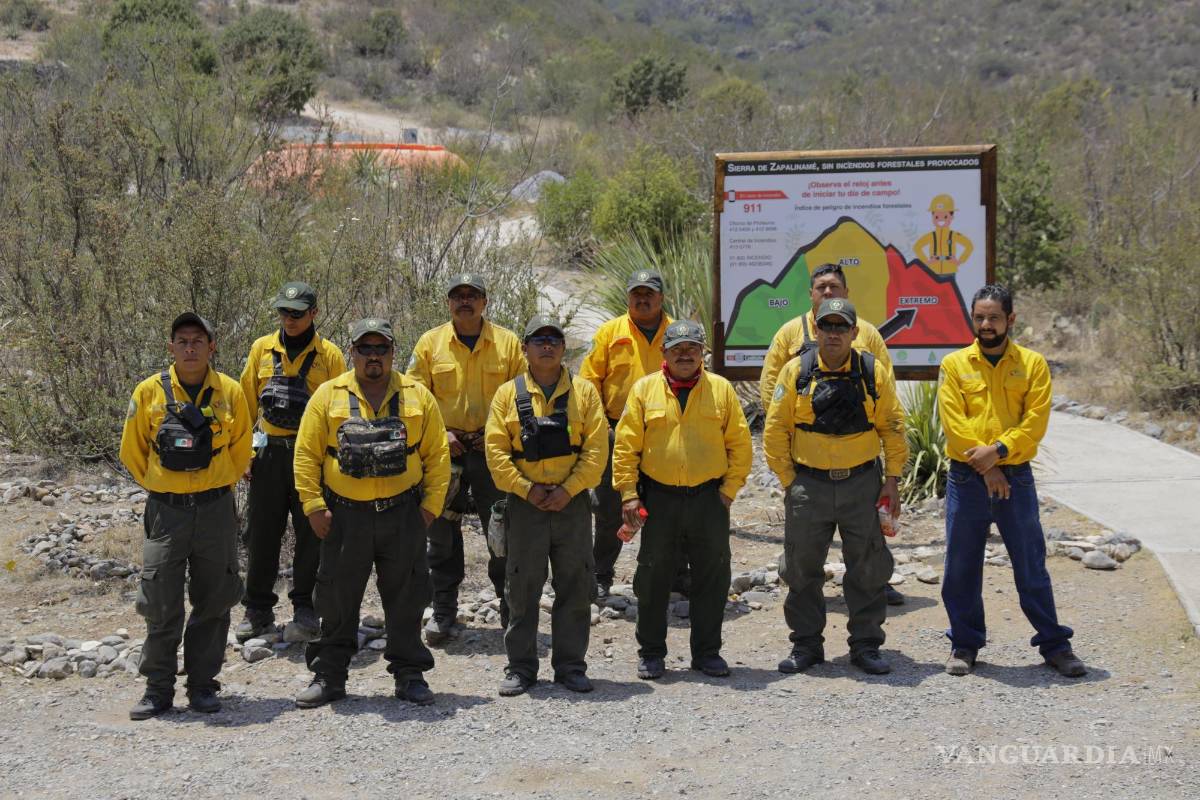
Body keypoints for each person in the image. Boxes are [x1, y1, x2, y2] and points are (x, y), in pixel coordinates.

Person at [292, 318, 450, 708]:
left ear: (393, 352)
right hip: (345, 518)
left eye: (382, 348)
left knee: (407, 598)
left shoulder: (418, 396)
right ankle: (329, 676)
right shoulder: (328, 396)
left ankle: (410, 675)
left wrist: (428, 509)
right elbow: (306, 455)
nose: (374, 356)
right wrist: (313, 506)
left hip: (403, 515)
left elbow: (437, 456)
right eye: (366, 348)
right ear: (353, 352)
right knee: (336, 599)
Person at [937, 284, 1086, 678]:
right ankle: (965, 644)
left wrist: (999, 452)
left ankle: (1055, 644)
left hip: (1015, 479)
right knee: (961, 567)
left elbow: (1034, 422)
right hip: (967, 478)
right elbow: (955, 425)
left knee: (1030, 564)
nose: (986, 325)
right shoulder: (954, 365)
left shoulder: (1033, 364)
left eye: (994, 317)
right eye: (980, 317)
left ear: (1011, 319)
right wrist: (988, 466)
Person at [763, 298, 907, 675]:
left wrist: (891, 480)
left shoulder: (872, 372)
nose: (833, 334)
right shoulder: (796, 371)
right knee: (801, 568)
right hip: (808, 486)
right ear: (816, 329)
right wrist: (790, 481)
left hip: (862, 484)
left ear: (854, 333)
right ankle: (807, 645)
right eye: (826, 326)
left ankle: (866, 645)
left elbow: (892, 427)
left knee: (867, 567)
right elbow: (776, 430)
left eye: (841, 327)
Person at [119, 312, 252, 719]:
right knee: (160, 601)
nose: (190, 347)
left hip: (215, 511)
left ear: (212, 347)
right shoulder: (148, 392)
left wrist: (212, 483)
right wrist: (165, 486)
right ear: (171, 347)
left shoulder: (230, 391)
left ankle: (202, 686)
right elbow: (133, 451)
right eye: (182, 340)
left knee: (215, 598)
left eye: (198, 340)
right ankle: (158, 689)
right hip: (166, 513)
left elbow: (243, 448)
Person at [612, 320, 752, 680]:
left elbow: (740, 444)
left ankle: (707, 654)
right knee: (653, 577)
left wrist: (728, 491)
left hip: (709, 500)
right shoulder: (644, 391)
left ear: (703, 352)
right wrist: (629, 493)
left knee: (712, 576)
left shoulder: (720, 390)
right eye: (678, 349)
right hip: (659, 499)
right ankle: (652, 654)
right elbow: (626, 447)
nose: (686, 355)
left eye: (692, 348)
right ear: (665, 353)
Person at [484, 315, 607, 696]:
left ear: (564, 347)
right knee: (521, 587)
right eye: (539, 339)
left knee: (575, 584)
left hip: (571, 506)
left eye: (554, 339)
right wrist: (526, 489)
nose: (547, 345)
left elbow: (597, 450)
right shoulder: (507, 394)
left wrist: (568, 490)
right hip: (525, 506)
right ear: (525, 348)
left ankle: (571, 666)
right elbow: (496, 452)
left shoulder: (585, 394)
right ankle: (520, 668)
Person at [407, 273, 525, 644]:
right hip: (446, 451)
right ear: (448, 303)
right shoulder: (430, 343)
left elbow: (524, 397)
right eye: (457, 296)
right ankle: (444, 611)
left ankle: (510, 610)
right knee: (441, 532)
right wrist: (439, 434)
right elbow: (413, 396)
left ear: (485, 302)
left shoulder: (507, 344)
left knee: (502, 530)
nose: (465, 301)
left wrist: (496, 434)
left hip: (494, 451)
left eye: (472, 295)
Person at [237, 281, 347, 644]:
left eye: (297, 313)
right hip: (268, 454)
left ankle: (306, 605)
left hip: (311, 457)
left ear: (314, 313)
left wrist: (331, 463)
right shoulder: (261, 349)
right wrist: (244, 454)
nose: (290, 319)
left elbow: (341, 412)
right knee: (261, 534)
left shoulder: (330, 356)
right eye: (284, 313)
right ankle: (257, 608)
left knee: (311, 534)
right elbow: (245, 405)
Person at [580, 269, 679, 599]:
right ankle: (600, 573)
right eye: (636, 292)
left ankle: (669, 575)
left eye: (649, 292)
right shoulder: (610, 333)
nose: (642, 298)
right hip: (615, 432)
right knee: (610, 509)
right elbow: (589, 383)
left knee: (667, 507)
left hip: (666, 435)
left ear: (661, 297)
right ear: (627, 297)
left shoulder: (677, 332)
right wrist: (598, 428)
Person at [914, 194, 974, 276]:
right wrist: (926, 261)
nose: (941, 219)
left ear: (952, 216)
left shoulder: (954, 235)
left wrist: (960, 261)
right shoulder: (930, 236)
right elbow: (917, 247)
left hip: (950, 271)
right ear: (932, 216)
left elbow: (969, 246)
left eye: (945, 216)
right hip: (933, 270)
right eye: (937, 217)